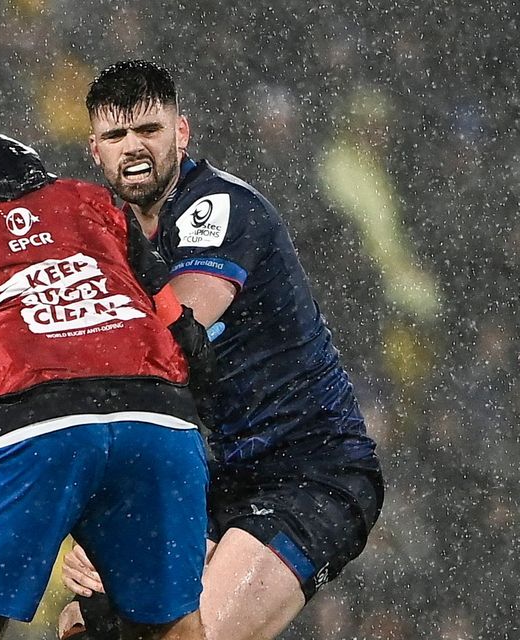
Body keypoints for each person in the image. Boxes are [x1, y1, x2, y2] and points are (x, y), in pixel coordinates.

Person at [58, 60, 385, 640]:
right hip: (210, 480)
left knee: (198, 632)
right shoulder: (106, 234)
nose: (133, 148)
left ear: (181, 132)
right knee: (83, 621)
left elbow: (166, 339)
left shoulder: (220, 207)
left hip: (308, 471)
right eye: (116, 136)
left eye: (149, 130)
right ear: (95, 150)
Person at [0, 114, 217, 640]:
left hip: (24, 428)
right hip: (159, 423)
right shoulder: (96, 204)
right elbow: (185, 336)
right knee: (171, 626)